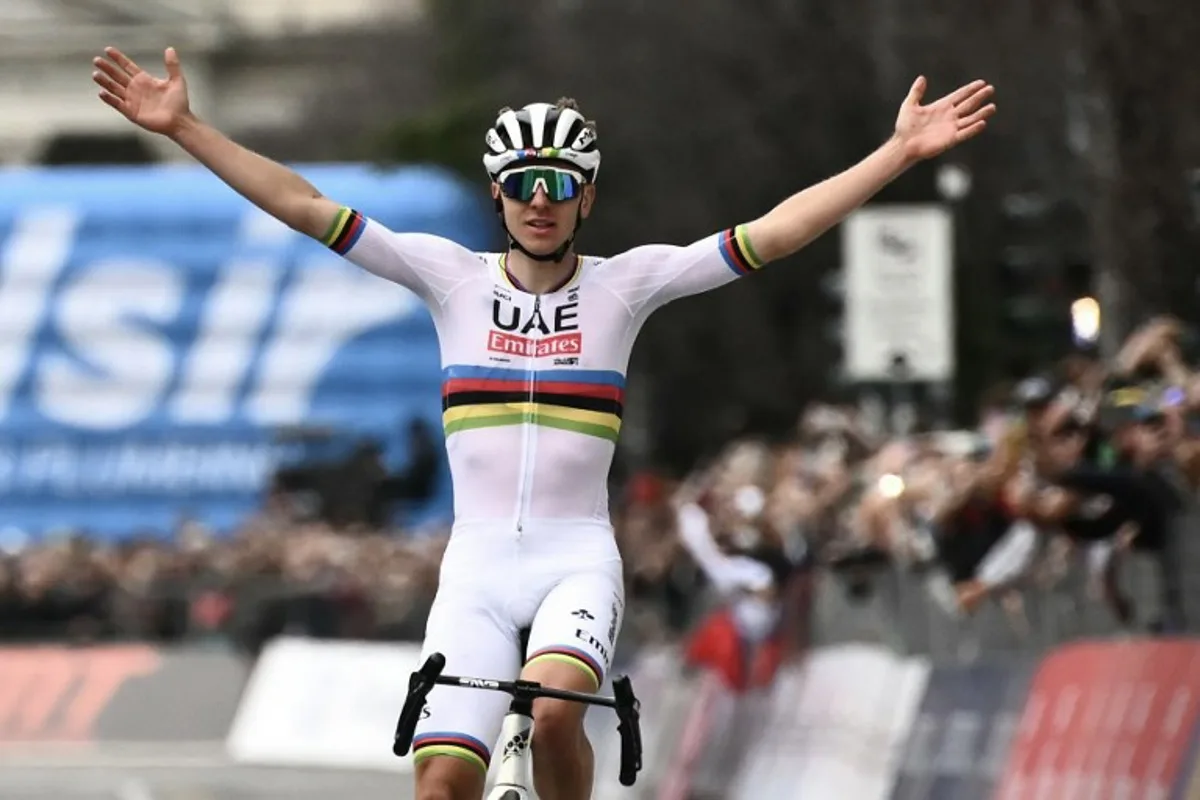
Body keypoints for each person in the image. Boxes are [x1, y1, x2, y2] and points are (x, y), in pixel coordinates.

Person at [91, 45, 995, 800]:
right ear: (499, 194)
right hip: (477, 569)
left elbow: (775, 233)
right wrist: (186, 128)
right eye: (522, 181)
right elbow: (303, 204)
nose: (539, 198)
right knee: (442, 784)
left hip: (573, 560)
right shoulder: (448, 276)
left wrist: (896, 155)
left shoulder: (626, 285)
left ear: (586, 198)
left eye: (559, 183)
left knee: (557, 710)